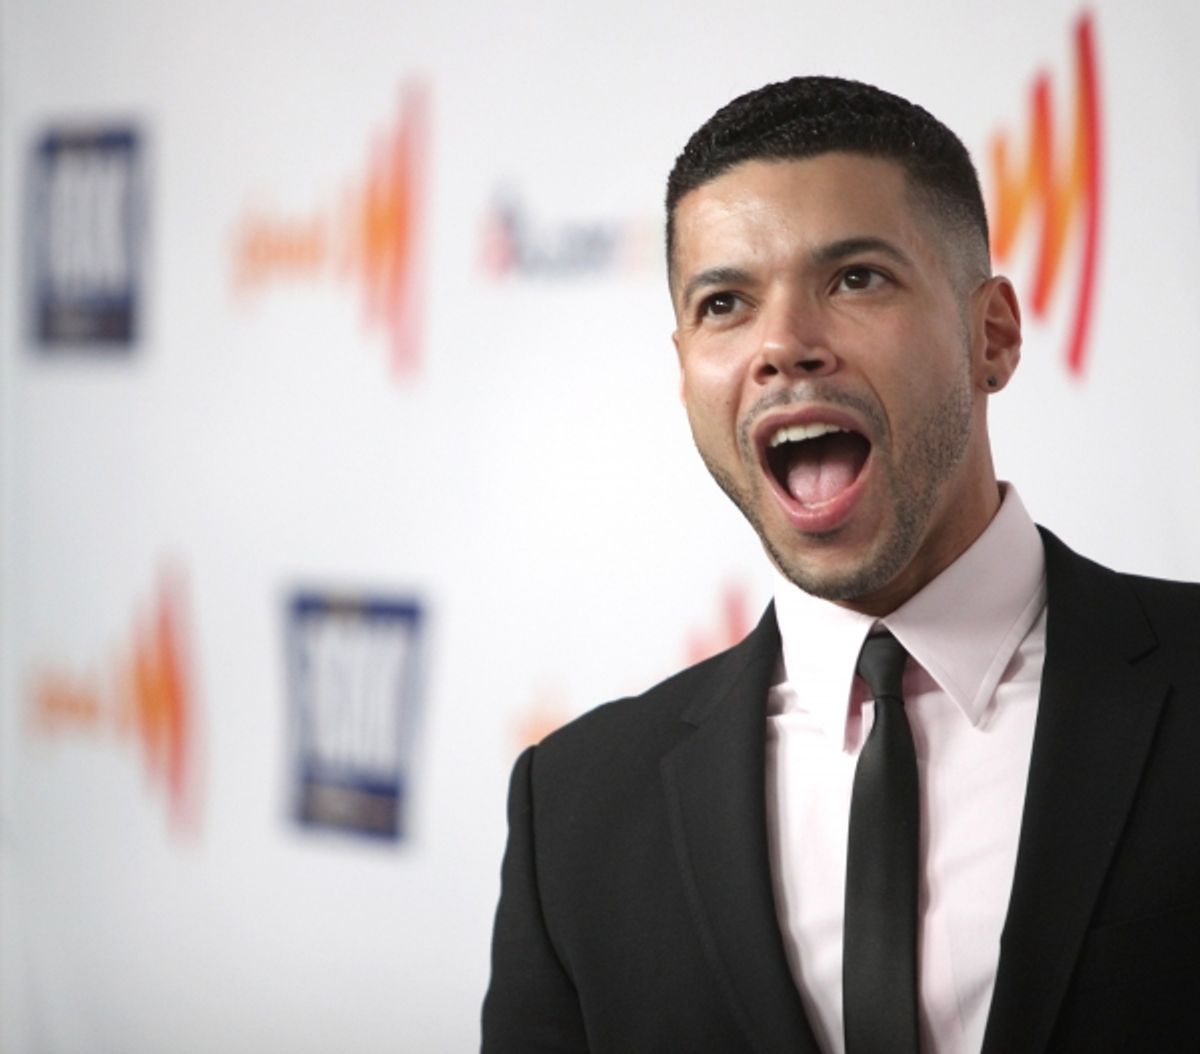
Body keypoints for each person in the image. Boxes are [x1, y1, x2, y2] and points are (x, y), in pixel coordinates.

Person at [480, 76, 1200, 1053]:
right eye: (725, 303)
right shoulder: (575, 810)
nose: (783, 346)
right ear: (684, 366)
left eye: (855, 278)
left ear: (991, 335)